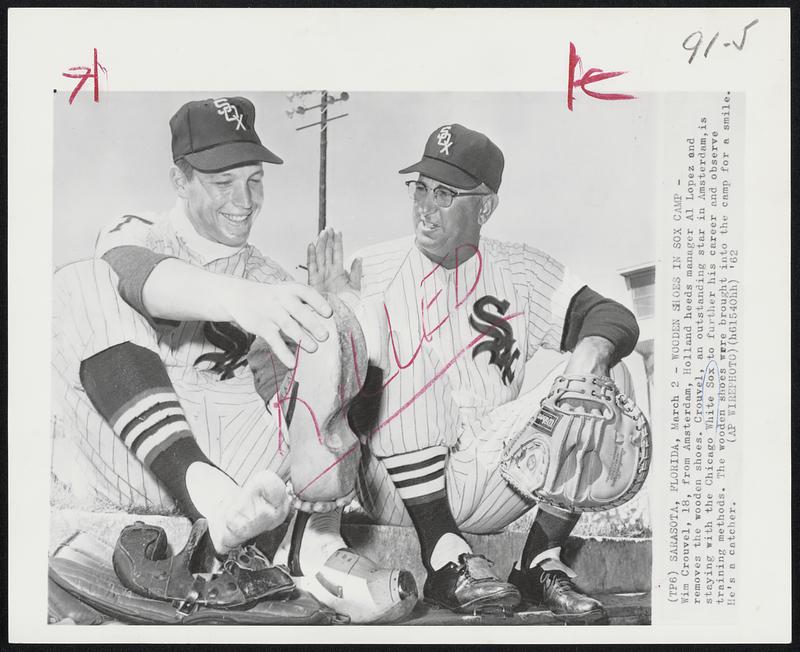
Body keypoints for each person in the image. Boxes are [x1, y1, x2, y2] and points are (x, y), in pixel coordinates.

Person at [50, 96, 416, 624]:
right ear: (181, 180)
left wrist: (333, 321)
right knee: (78, 282)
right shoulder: (138, 231)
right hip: (140, 456)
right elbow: (134, 272)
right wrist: (238, 298)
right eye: (223, 183)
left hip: (247, 480)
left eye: (254, 180)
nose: (245, 200)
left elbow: (291, 404)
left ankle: (307, 547)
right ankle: (233, 514)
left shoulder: (268, 277)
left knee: (333, 333)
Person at [308, 123, 640, 623]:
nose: (426, 206)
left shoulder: (520, 269)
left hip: (495, 470)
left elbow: (613, 315)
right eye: (420, 188)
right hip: (394, 481)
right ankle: (443, 557)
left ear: (485, 207)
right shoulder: (369, 267)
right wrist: (336, 312)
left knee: (608, 379)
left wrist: (589, 356)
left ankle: (539, 560)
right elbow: (329, 391)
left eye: (445, 194)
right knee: (396, 349)